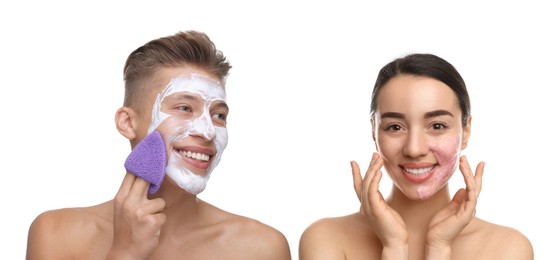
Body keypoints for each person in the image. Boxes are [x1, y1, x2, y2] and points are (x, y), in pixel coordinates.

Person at [26, 30, 291, 260]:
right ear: (127, 123)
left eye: (219, 114)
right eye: (185, 107)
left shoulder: (261, 247)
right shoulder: (56, 234)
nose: (208, 131)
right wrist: (125, 252)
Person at [299, 53, 534, 259]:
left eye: (438, 126)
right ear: (374, 132)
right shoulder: (326, 239)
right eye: (395, 127)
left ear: (466, 131)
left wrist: (439, 248)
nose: (414, 149)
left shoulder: (507, 249)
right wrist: (394, 247)